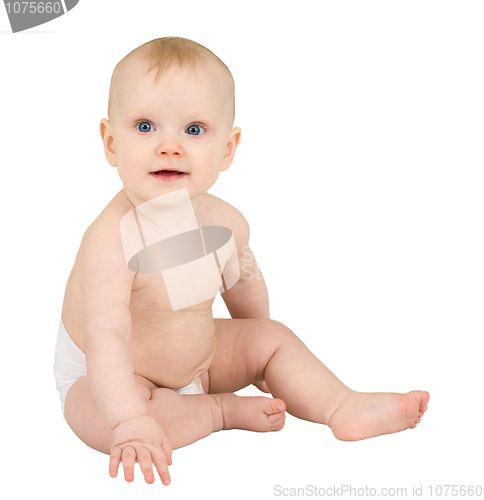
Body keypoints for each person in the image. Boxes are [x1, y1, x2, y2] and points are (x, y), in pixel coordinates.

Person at [54, 36, 429, 486]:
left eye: (194, 130)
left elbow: (244, 282)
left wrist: (258, 358)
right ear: (111, 143)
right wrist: (130, 420)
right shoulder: (110, 240)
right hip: (114, 376)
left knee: (272, 337)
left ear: (227, 150)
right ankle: (217, 411)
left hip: (201, 358)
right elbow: (107, 334)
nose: (169, 146)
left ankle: (341, 405)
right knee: (98, 419)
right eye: (145, 127)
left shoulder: (226, 224)